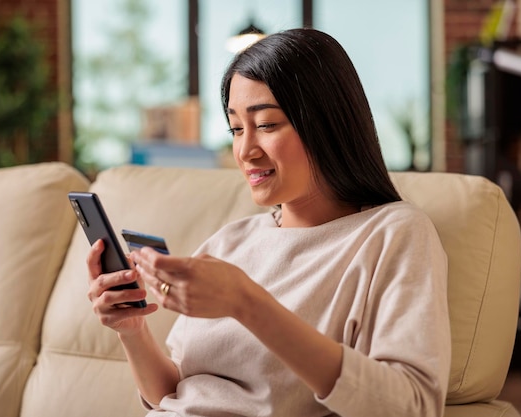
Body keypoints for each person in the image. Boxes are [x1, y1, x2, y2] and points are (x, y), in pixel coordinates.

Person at [86, 28, 450, 417]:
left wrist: (247, 303)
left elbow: (413, 406)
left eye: (267, 125)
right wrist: (133, 331)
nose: (245, 150)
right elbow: (175, 395)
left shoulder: (392, 234)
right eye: (236, 129)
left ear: (327, 124)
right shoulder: (229, 243)